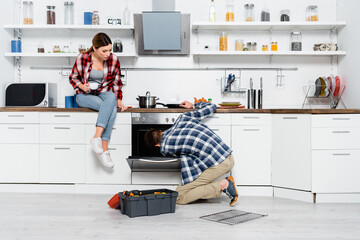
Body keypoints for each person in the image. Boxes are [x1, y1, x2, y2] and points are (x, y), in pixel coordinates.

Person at [144, 101, 239, 206]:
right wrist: (193, 106)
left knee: (179, 197)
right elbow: (212, 106)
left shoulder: (165, 148)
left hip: (219, 165)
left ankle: (224, 184)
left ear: (157, 145)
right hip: (228, 156)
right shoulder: (183, 118)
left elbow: (185, 163)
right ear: (160, 131)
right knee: (193, 179)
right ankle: (215, 187)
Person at [69, 32, 127, 168]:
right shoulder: (82, 58)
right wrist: (83, 86)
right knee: (110, 108)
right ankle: (105, 150)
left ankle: (96, 138)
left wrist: (118, 101)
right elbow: (73, 77)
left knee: (111, 98)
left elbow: (117, 83)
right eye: (104, 51)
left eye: (110, 50)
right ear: (95, 48)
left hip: (103, 93)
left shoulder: (114, 60)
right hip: (84, 95)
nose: (108, 54)